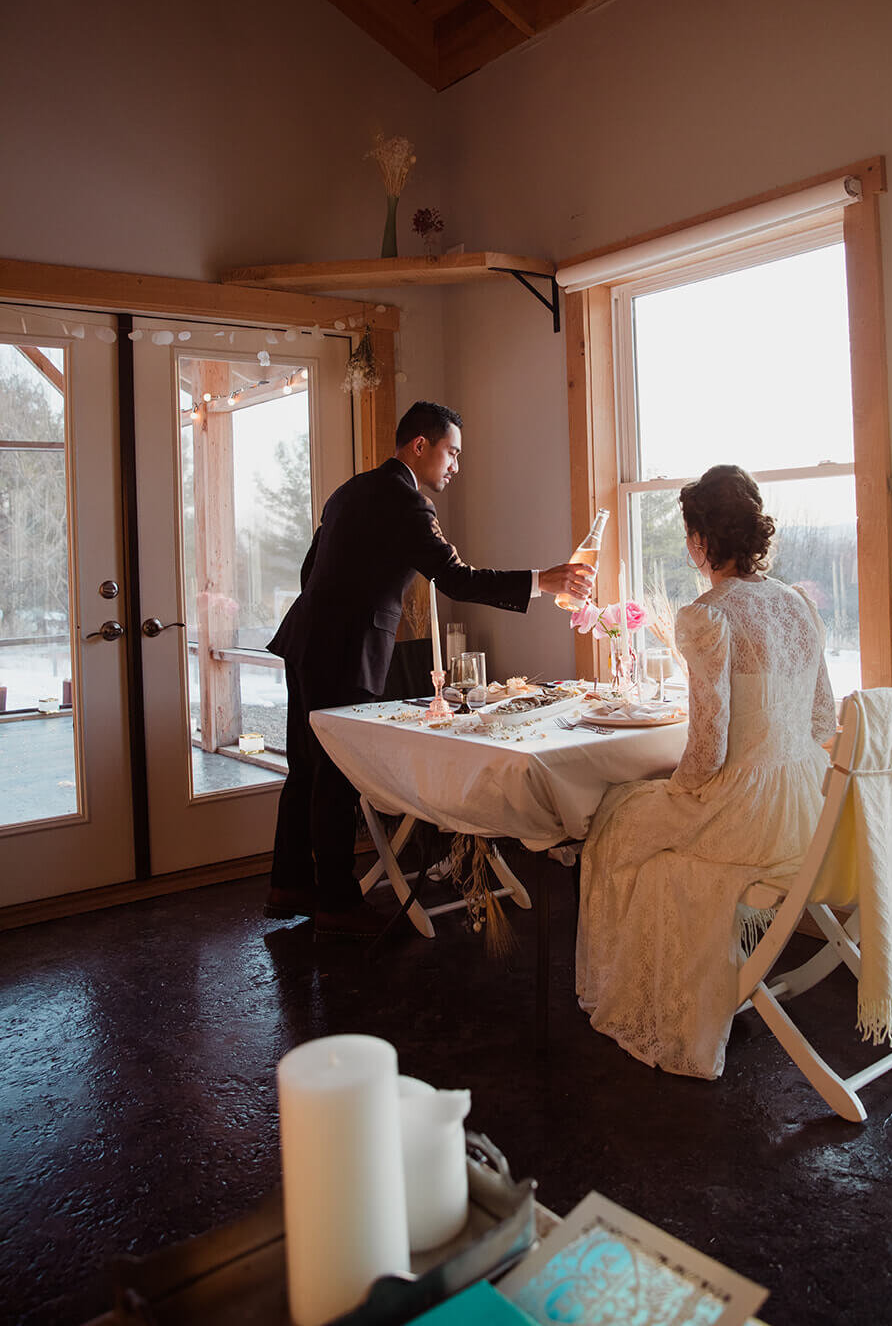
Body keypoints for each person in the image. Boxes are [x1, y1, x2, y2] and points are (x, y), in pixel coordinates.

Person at [265, 400, 594, 936]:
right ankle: (337, 903)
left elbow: (310, 569)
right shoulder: (408, 503)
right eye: (452, 452)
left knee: (305, 768)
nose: (456, 466)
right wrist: (544, 580)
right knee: (336, 776)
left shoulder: (350, 491)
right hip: (345, 650)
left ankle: (289, 884)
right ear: (420, 446)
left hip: (305, 640)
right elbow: (457, 579)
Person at [575, 464, 837, 1079]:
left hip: (742, 815)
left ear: (699, 539)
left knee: (617, 817)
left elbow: (709, 751)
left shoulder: (709, 614)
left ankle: (652, 997)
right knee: (641, 813)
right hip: (807, 807)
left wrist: (678, 794)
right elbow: (822, 720)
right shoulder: (797, 605)